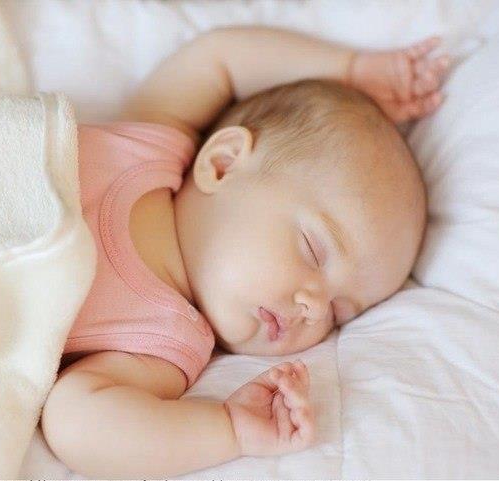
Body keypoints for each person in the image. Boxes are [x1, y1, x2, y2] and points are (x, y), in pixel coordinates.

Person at [40, 26, 450, 478]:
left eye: (338, 312)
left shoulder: (164, 350)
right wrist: (352, 71)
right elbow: (217, 60)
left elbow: (75, 424)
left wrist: (230, 429)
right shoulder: (147, 144)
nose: (314, 308)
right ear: (223, 164)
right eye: (313, 251)